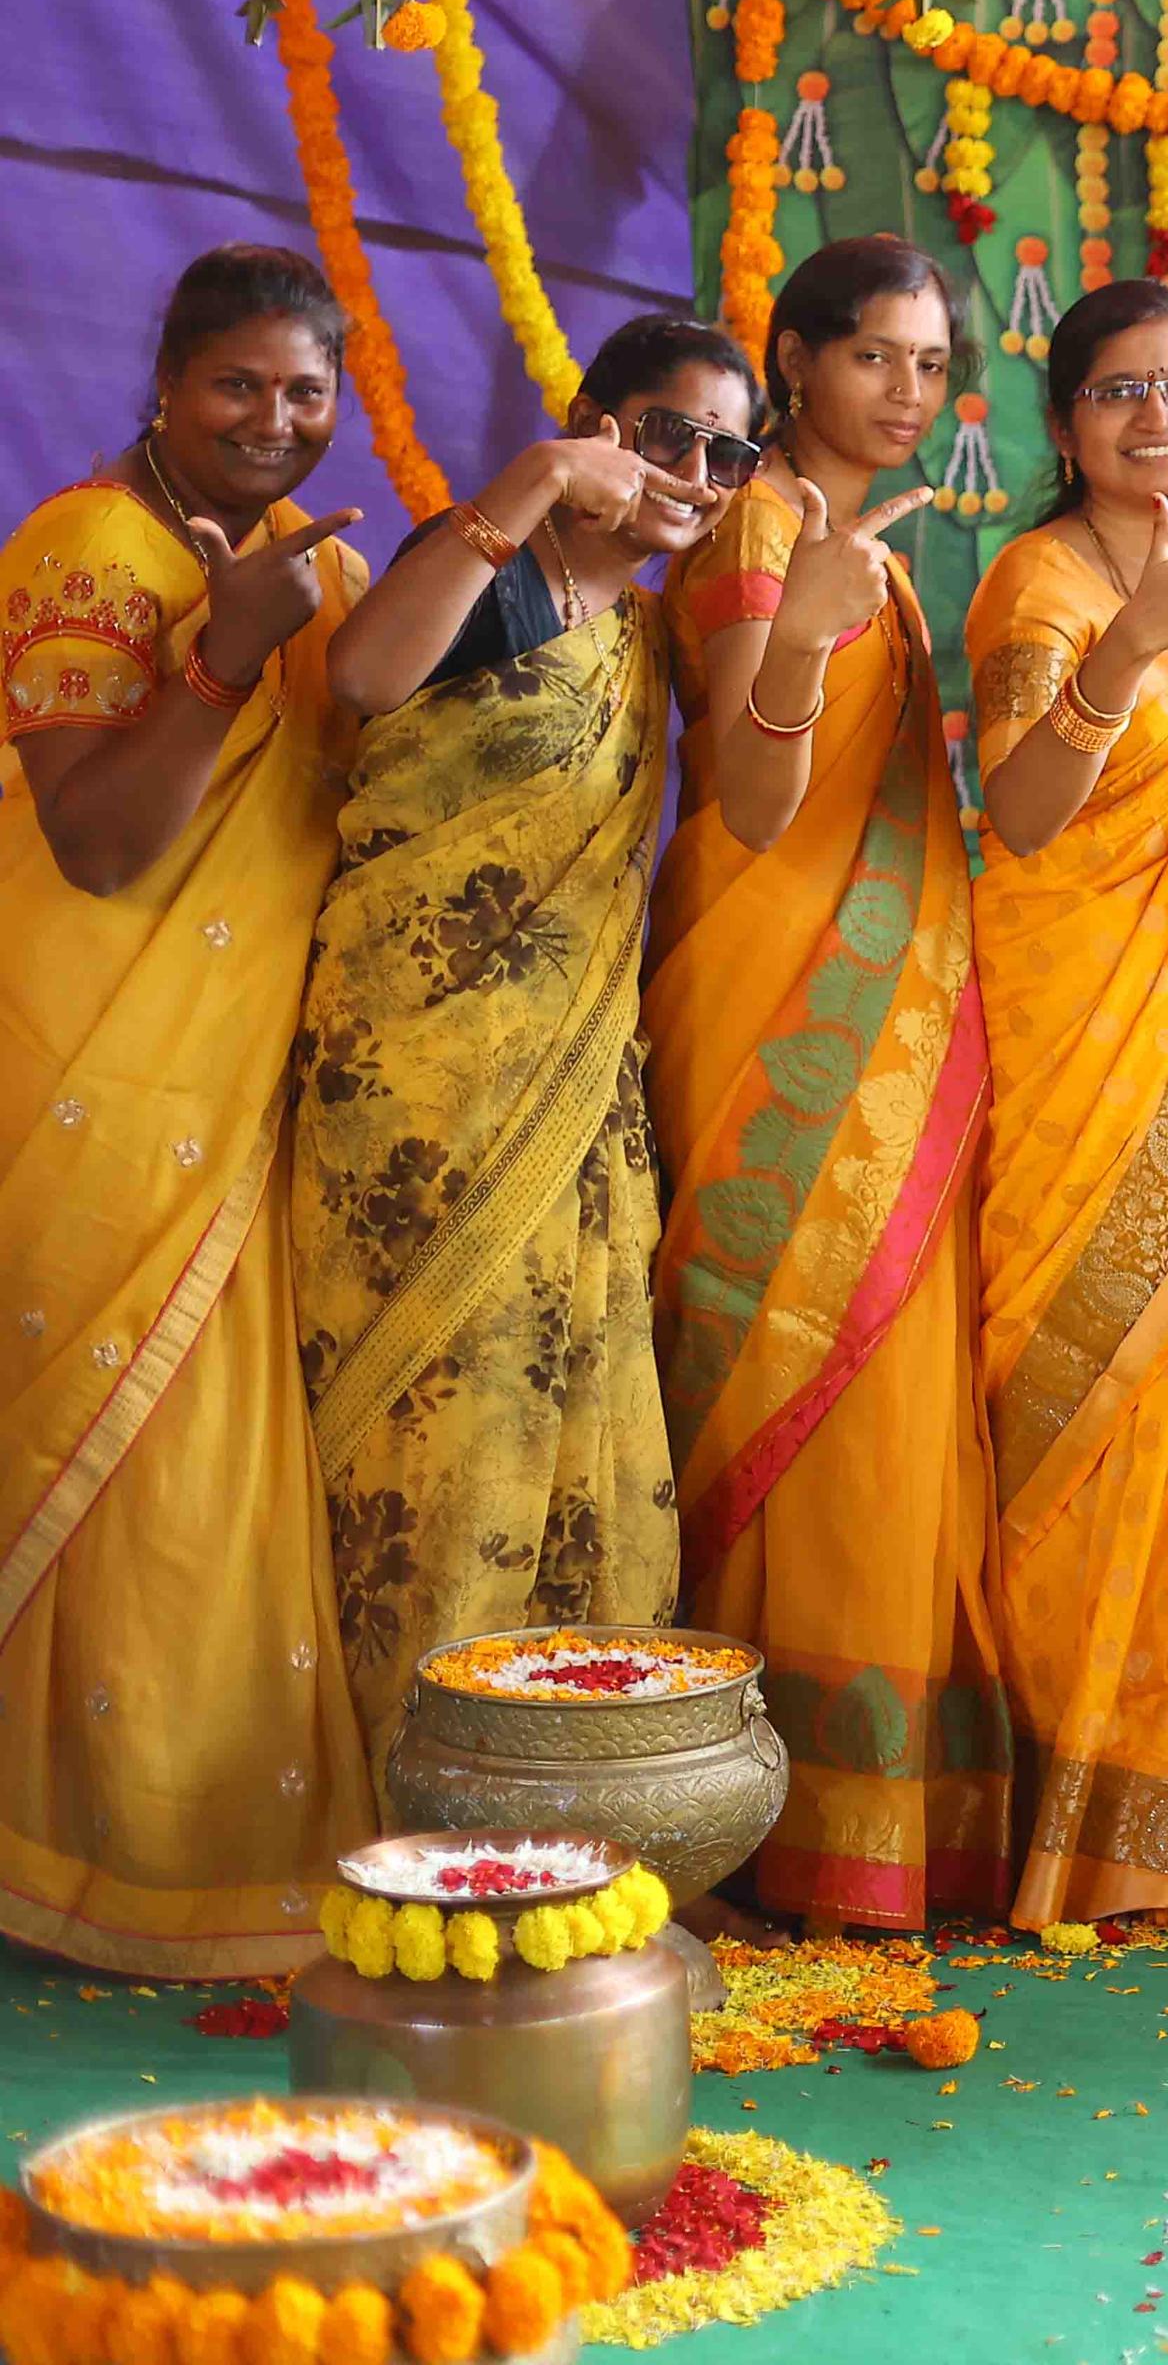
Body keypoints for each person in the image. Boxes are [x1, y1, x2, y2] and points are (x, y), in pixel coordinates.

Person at [293, 316, 756, 1766]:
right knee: (427, 1445)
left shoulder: (656, 627)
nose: (691, 471)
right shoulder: (485, 563)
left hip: (573, 1092)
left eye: (724, 452)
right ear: (593, 423)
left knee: (573, 1421)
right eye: (661, 433)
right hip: (409, 1092)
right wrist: (528, 488)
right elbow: (363, 680)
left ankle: (565, 1794)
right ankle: (404, 1797)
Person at [0, 245, 376, 1972]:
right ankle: (82, 1869)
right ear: (164, 384)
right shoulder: (89, 551)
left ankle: (175, 1864)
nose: (275, 421)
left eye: (308, 392)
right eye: (240, 385)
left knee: (208, 1484)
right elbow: (96, 839)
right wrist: (224, 657)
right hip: (93, 1071)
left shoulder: (310, 571)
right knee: (132, 1460)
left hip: (228, 1084)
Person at [657, 234, 1007, 1932]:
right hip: (773, 999)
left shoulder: (862, 546)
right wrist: (801, 625)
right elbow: (750, 797)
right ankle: (762, 1824)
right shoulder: (755, 526)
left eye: (935, 363)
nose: (912, 389)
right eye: (878, 355)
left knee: (887, 1398)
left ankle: (876, 1832)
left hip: (895, 1015)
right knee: (786, 1385)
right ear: (792, 362)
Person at [964, 281, 1168, 1930]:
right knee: (1061, 1386)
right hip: (1064, 1042)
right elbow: (1019, 814)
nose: (1153, 420)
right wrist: (1131, 648)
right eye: (1116, 395)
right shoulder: (1039, 582)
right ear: (1063, 423)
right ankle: (1050, 1789)